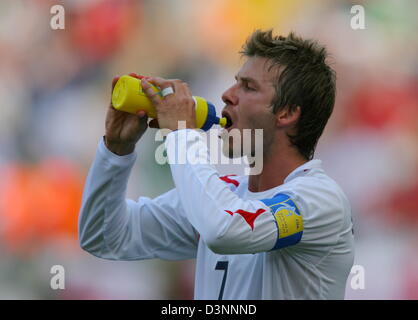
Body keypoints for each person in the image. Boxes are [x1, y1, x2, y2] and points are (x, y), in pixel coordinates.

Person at [78, 30, 354, 299]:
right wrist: (116, 152)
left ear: (287, 113)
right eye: (236, 82)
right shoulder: (226, 194)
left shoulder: (319, 200)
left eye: (248, 87)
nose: (226, 94)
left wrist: (182, 132)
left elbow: (225, 230)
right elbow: (102, 236)